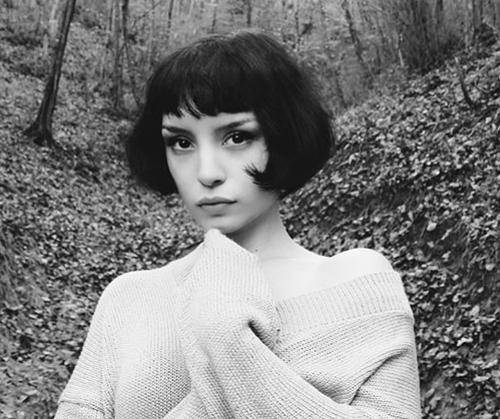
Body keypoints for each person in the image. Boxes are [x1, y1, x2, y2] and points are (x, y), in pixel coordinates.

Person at [55, 31, 421, 418]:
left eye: (236, 137)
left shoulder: (354, 284)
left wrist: (227, 339)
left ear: (284, 135)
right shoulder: (129, 298)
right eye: (181, 143)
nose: (207, 172)